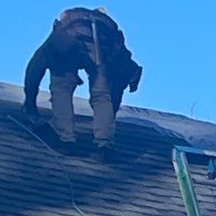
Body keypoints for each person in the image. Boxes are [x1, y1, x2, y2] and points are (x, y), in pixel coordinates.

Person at [22, 8, 142, 156]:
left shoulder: (60, 37)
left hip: (73, 47)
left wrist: (30, 106)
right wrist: (109, 122)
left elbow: (34, 71)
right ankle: (104, 144)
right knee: (102, 96)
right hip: (101, 51)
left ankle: (65, 138)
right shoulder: (106, 34)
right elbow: (115, 91)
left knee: (62, 88)